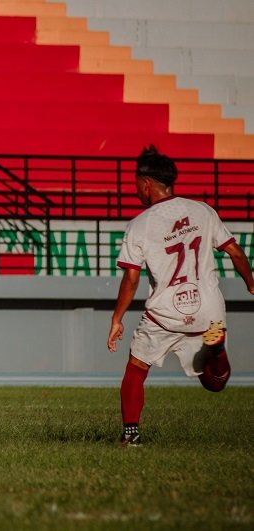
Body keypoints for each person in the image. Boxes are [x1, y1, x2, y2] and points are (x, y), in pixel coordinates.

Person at [107, 145, 254, 446]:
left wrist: (117, 318)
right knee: (214, 383)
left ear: (146, 184)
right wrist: (252, 284)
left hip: (165, 314)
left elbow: (131, 277)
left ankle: (130, 434)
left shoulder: (140, 224)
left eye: (136, 183)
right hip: (208, 311)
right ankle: (219, 351)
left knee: (136, 369)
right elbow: (236, 252)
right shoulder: (203, 210)